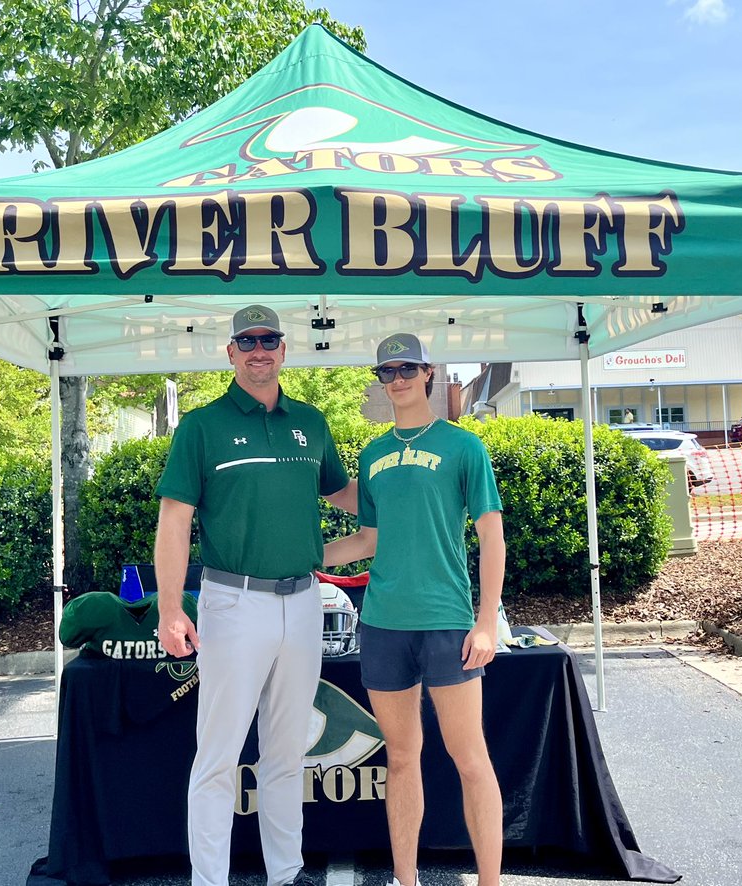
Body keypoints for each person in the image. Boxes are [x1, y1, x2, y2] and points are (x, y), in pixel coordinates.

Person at [153, 304, 357, 886]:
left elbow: (343, 493)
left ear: (285, 349)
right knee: (218, 758)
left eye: (270, 340)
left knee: (287, 756)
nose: (259, 350)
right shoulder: (201, 426)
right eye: (248, 342)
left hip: (303, 601)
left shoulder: (311, 423)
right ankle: (209, 881)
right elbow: (174, 521)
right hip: (233, 604)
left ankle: (285, 873)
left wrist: (409, 491)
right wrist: (171, 610)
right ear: (232, 353)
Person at [323, 332, 506, 886]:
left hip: (447, 621)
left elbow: (492, 538)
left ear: (428, 373)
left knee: (469, 757)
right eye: (387, 372)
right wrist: (298, 556)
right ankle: (407, 879)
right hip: (382, 624)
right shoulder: (373, 454)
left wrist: (486, 620)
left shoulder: (464, 447)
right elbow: (367, 540)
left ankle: (490, 881)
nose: (397, 379)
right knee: (402, 759)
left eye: (407, 369)